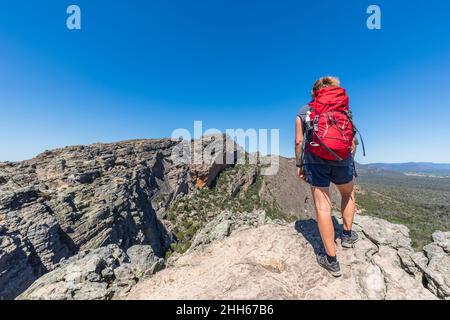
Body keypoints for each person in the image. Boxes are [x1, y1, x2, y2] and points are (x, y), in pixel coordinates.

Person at [295, 76, 360, 277]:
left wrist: (299, 164)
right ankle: (347, 236)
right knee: (348, 195)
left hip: (316, 162)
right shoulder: (344, 108)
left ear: (314, 92)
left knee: (323, 208)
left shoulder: (304, 111)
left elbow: (299, 142)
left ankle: (331, 260)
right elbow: (352, 141)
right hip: (342, 160)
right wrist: (348, 160)